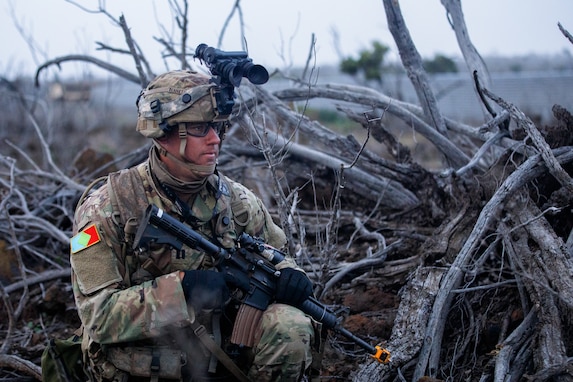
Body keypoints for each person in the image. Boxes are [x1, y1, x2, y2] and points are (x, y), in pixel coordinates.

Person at [70, 69, 318, 382]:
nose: (215, 139)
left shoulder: (237, 202)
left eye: (217, 127)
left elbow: (278, 256)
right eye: (200, 128)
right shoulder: (108, 207)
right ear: (164, 134)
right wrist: (182, 289)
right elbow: (99, 317)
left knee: (291, 327)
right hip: (143, 365)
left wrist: (292, 276)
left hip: (219, 355)